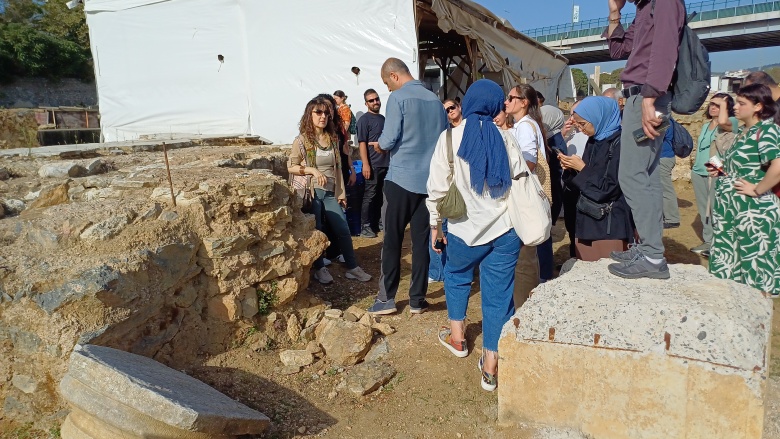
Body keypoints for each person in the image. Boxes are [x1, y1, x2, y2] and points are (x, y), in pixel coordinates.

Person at [427, 79, 521, 392]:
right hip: (505, 232)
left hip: (464, 231)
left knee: (456, 276)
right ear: (496, 106)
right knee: (498, 298)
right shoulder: (506, 138)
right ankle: (490, 367)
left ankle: (457, 339)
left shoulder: (450, 138)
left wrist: (434, 225)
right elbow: (521, 182)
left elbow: (437, 188)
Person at [603, 0, 685, 280]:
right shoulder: (644, 8)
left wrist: (650, 98)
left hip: (647, 97)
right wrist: (615, 12)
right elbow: (618, 50)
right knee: (646, 176)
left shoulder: (663, 2)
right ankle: (649, 249)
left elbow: (665, 48)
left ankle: (652, 255)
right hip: (640, 97)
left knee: (632, 176)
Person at [367, 58, 448, 315]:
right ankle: (417, 300)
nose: (387, 90)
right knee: (422, 242)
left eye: (386, 84)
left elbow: (389, 139)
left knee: (392, 240)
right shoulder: (436, 101)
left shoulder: (398, 98)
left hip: (401, 179)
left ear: (394, 76)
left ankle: (386, 299)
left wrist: (379, 145)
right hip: (429, 184)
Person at [288, 96, 372, 284]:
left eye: (326, 112)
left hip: (329, 192)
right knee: (317, 230)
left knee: (343, 228)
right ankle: (320, 268)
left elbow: (337, 168)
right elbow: (291, 166)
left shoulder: (332, 138)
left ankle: (352, 267)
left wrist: (340, 193)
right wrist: (311, 169)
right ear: (309, 115)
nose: (323, 116)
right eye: (318, 112)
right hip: (313, 192)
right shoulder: (301, 141)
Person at [708, 84, 780, 296]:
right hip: (731, 213)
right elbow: (740, 167)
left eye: (741, 103)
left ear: (758, 106)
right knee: (732, 275)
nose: (735, 108)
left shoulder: (767, 130)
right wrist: (719, 171)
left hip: (752, 212)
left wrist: (758, 190)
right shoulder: (744, 132)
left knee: (754, 270)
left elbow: (777, 165)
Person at [559, 97, 634, 261]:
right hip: (587, 220)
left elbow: (609, 188)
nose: (579, 128)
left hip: (608, 226)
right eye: (577, 124)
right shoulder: (594, 140)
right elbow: (587, 181)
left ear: (598, 117)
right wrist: (571, 169)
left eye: (583, 124)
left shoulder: (621, 144)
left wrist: (581, 169)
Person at [505, 84, 548, 305]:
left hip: (525, 194)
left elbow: (529, 162)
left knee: (525, 255)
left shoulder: (524, 126)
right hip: (531, 194)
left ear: (524, 102)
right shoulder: (527, 124)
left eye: (511, 98)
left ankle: (523, 304)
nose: (506, 102)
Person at [690, 93, 738, 257]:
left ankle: (720, 244)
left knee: (717, 208)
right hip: (698, 170)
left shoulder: (732, 123)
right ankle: (708, 241)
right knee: (704, 208)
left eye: (717, 105)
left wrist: (723, 104)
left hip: (716, 171)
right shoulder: (705, 126)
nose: (712, 107)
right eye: (711, 104)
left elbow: (725, 123)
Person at [429, 99, 463, 283]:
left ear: (459, 107)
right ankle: (437, 272)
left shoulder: (469, 130)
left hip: (465, 193)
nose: (449, 111)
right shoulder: (446, 136)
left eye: (452, 107)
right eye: (446, 110)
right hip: (452, 191)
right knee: (442, 230)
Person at [356, 89, 388, 238]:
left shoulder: (382, 118)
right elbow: (362, 143)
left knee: (381, 196)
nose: (375, 102)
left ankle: (377, 222)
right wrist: (365, 164)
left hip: (386, 164)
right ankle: (365, 226)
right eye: (371, 100)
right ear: (366, 103)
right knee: (369, 195)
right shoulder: (364, 120)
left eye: (376, 99)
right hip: (373, 164)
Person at [561, 101, 590, 257]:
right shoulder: (570, 133)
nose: (572, 118)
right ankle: (574, 256)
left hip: (584, 182)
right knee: (571, 223)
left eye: (575, 114)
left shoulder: (591, 134)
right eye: (571, 114)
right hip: (570, 181)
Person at [658, 125, 680, 229]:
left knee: (665, 188)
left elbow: (653, 134)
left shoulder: (663, 119)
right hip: (663, 157)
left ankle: (672, 219)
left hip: (663, 157)